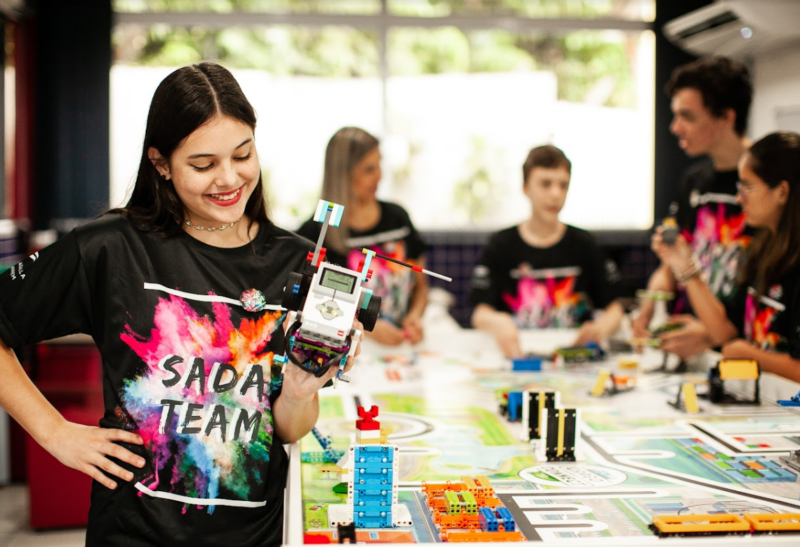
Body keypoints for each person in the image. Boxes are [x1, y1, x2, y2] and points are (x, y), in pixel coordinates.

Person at [0, 62, 352, 546]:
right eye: (203, 165)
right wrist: (54, 432)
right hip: (134, 534)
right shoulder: (113, 247)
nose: (229, 179)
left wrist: (296, 392)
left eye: (243, 155)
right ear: (161, 164)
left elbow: (288, 430)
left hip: (253, 536)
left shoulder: (296, 262)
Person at [652, 131, 800, 383]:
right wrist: (682, 264)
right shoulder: (761, 251)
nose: (739, 198)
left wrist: (751, 355)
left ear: (782, 192)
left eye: (748, 187)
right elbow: (723, 329)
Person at [633, 57, 754, 358]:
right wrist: (650, 303)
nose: (675, 127)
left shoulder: (769, 181)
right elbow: (671, 261)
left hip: (739, 352)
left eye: (687, 116)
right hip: (689, 350)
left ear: (726, 117)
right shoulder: (692, 180)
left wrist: (714, 334)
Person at [469, 145, 623, 358]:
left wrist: (600, 329)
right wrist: (498, 322)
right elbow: (480, 313)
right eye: (545, 184)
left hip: (572, 359)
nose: (555, 194)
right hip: (518, 357)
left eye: (563, 185)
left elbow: (615, 308)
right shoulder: (501, 245)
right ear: (525, 188)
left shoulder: (585, 244)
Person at [296, 127, 428, 346]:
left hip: (403, 348)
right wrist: (370, 329)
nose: (379, 175)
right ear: (343, 175)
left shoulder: (398, 218)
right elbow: (308, 305)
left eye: (379, 165)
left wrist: (415, 316)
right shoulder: (316, 234)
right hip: (347, 353)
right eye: (368, 169)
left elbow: (421, 285)